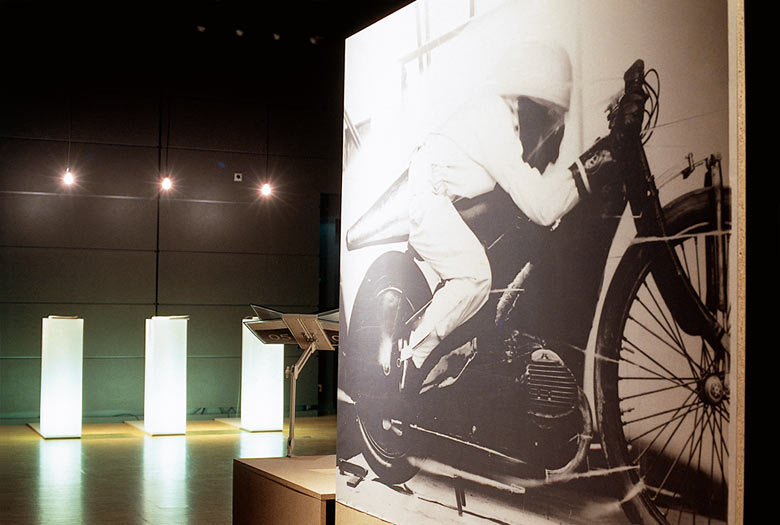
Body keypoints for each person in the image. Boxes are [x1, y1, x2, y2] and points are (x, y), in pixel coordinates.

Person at [393, 41, 617, 390]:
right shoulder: (494, 121)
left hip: (447, 198)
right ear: (526, 102)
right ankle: (411, 358)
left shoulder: (499, 116)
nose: (552, 134)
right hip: (428, 196)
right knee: (474, 276)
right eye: (549, 118)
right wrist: (597, 160)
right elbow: (543, 207)